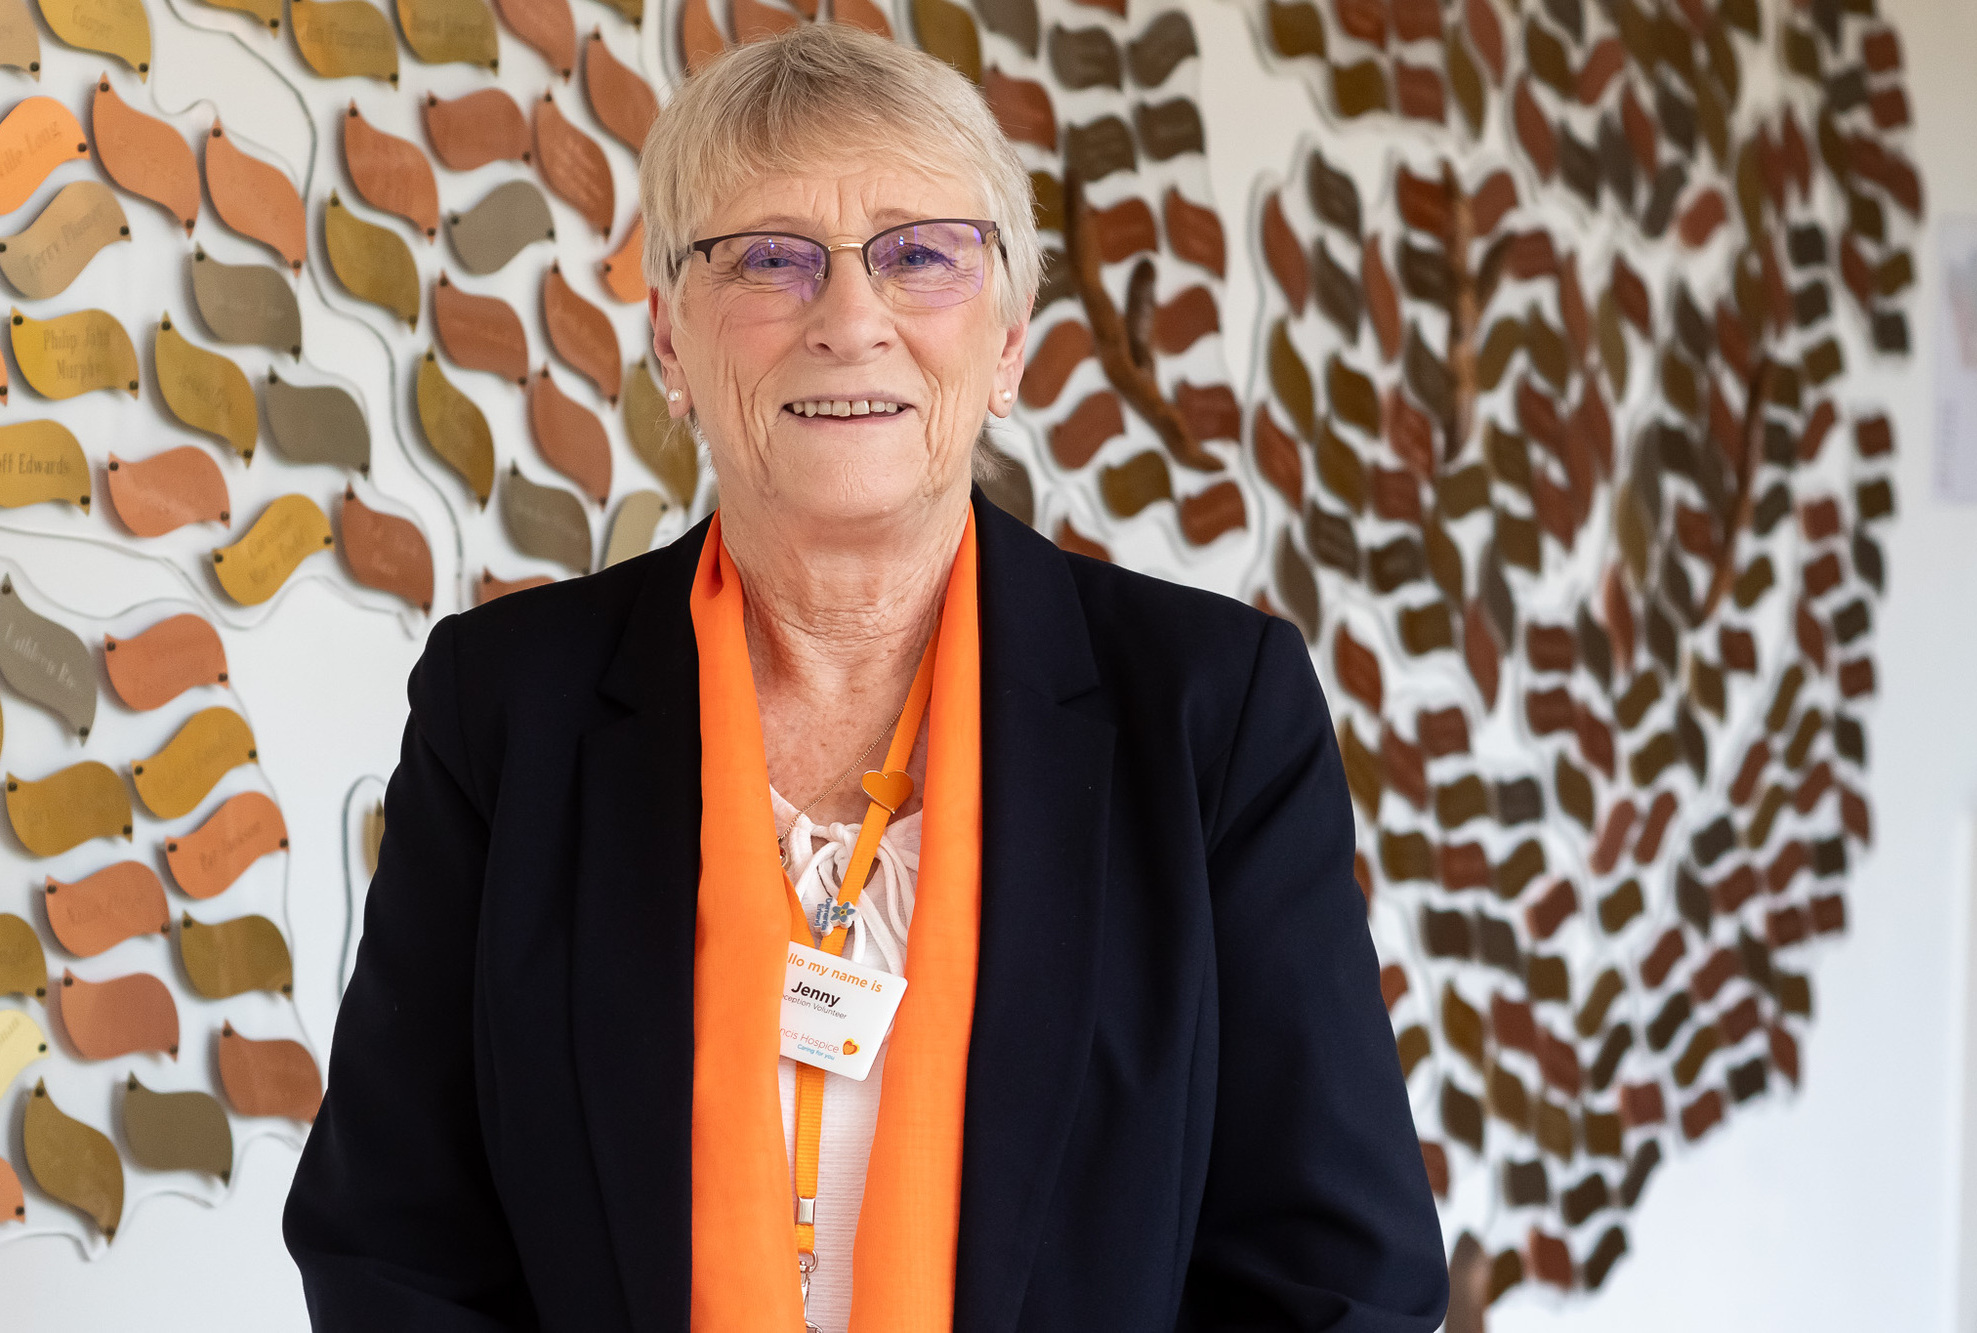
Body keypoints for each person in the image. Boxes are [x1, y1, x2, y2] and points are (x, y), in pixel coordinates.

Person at [283, 23, 1447, 1332]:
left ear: (1006, 342)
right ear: (670, 343)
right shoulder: (506, 706)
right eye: (768, 260)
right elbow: (393, 1242)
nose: (849, 319)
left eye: (919, 256)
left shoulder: (1212, 710)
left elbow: (1337, 1277)